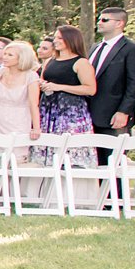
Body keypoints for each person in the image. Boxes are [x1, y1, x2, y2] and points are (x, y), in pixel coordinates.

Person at [87, 6, 135, 161]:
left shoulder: (132, 49)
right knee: (95, 164)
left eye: (105, 20)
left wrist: (124, 111)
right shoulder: (95, 47)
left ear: (120, 23)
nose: (99, 23)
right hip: (89, 113)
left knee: (113, 163)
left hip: (114, 115)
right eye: (99, 19)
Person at [34, 25, 97, 169]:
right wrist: (43, 85)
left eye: (59, 38)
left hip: (71, 112)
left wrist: (59, 87)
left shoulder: (81, 62)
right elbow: (43, 78)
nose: (55, 41)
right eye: (55, 37)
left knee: (68, 149)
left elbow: (90, 89)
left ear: (71, 39)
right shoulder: (51, 60)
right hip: (49, 109)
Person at [0, 41, 41, 161]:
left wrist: (36, 128)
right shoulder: (0, 72)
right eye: (5, 54)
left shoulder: (31, 76)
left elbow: (34, 104)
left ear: (22, 58)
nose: (5, 57)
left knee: (17, 157)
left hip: (20, 119)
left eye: (10, 55)